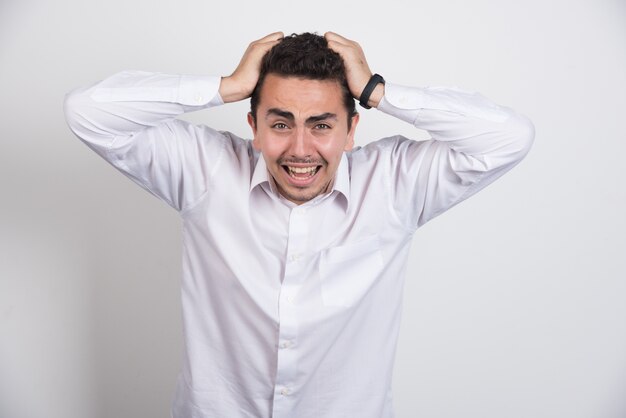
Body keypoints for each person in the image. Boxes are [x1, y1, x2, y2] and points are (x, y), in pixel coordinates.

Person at [64, 31, 534, 418]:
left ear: (352, 130)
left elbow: (509, 138)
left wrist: (377, 91)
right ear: (254, 125)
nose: (301, 150)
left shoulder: (394, 185)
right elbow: (87, 112)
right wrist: (226, 85)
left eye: (322, 125)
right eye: (282, 123)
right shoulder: (205, 171)